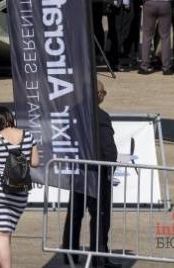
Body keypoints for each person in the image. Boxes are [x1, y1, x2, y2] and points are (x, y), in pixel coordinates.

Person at [61, 83, 118, 267]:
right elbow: (108, 149)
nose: (104, 95)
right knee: (100, 216)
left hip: (78, 173)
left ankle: (70, 255)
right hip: (97, 174)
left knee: (75, 215)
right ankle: (98, 257)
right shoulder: (101, 116)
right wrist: (110, 170)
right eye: (103, 92)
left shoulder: (72, 113)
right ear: (98, 94)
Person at [0, 105, 39, 268]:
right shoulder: (27, 136)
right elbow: (35, 162)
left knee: (1, 234)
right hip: (20, 192)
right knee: (4, 234)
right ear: (10, 119)